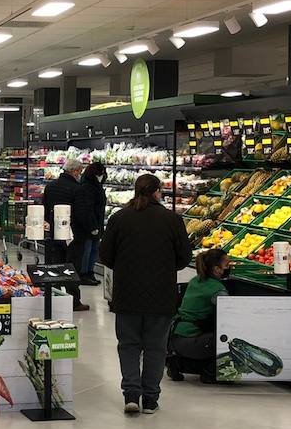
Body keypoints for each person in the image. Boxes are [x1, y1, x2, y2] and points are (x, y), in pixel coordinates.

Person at [99, 173, 193, 415]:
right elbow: (184, 258)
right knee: (155, 347)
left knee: (128, 344)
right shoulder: (172, 220)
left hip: (127, 293)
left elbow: (105, 256)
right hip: (161, 295)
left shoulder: (119, 218)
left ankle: (131, 394)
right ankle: (150, 399)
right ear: (157, 192)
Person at [168, 248, 232, 383]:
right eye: (226, 265)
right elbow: (228, 316)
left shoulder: (194, 281)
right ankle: (210, 373)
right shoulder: (218, 290)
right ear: (217, 269)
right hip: (195, 342)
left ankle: (179, 363)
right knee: (231, 338)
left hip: (174, 338)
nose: (229, 267)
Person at [41, 157, 96, 312]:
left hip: (55, 233)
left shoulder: (51, 186)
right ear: (74, 171)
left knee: (56, 266)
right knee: (72, 268)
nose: (80, 174)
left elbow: (45, 207)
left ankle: (56, 299)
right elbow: (81, 213)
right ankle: (73, 302)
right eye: (79, 171)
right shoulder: (78, 189)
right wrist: (92, 229)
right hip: (74, 236)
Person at [79, 162, 107, 286]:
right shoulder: (87, 187)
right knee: (87, 250)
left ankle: (90, 272)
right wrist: (92, 226)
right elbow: (87, 208)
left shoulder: (96, 185)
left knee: (94, 250)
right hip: (89, 225)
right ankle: (84, 274)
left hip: (97, 223)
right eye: (100, 173)